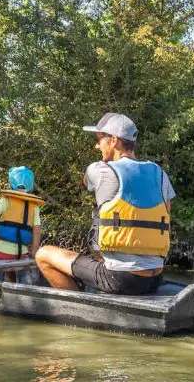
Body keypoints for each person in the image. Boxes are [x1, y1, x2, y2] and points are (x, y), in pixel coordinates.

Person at [35, 113, 174, 295]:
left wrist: (106, 161)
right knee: (99, 253)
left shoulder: (100, 169)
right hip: (155, 278)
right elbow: (166, 214)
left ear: (114, 140)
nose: (97, 145)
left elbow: (86, 182)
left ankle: (78, 306)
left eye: (99, 139)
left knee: (43, 254)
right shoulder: (160, 174)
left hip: (121, 278)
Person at [0, 166, 44, 261]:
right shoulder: (34, 205)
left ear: (12, 183)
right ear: (30, 185)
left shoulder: (6, 200)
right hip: (22, 253)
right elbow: (37, 230)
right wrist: (33, 252)